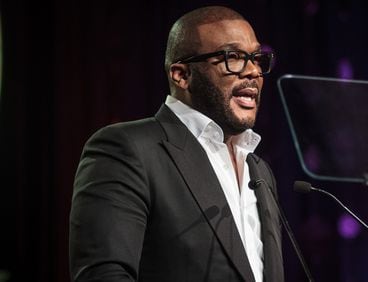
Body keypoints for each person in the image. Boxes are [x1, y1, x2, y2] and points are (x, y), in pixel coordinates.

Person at [69, 5, 284, 282]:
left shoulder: (260, 170)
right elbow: (104, 275)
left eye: (256, 58)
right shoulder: (128, 148)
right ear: (182, 75)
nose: (253, 71)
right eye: (234, 57)